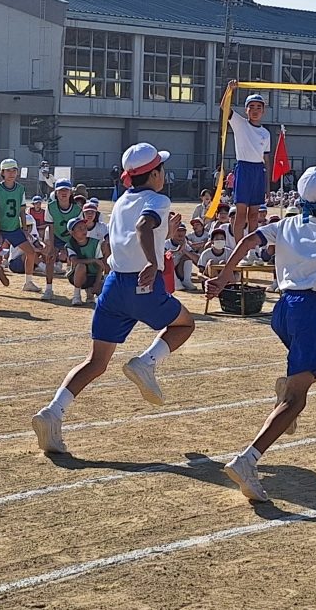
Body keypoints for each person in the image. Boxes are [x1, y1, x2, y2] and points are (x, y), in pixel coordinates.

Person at [205, 165, 316, 502]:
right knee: (296, 400)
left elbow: (250, 239)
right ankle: (248, 459)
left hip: (282, 310)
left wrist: (224, 277)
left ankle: (286, 389)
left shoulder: (290, 222)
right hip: (311, 310)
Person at [30, 143, 196, 454]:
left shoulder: (120, 201)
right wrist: (153, 262)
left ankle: (53, 411)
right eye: (162, 168)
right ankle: (146, 363)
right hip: (141, 283)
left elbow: (137, 233)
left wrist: (163, 234)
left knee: (96, 362)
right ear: (155, 174)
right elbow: (144, 226)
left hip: (114, 285)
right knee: (185, 324)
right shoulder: (158, 199)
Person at [226, 82, 272, 246]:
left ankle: (251, 248)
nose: (255, 110)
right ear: (246, 110)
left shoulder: (265, 133)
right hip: (244, 169)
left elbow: (266, 160)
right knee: (241, 214)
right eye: (251, 106)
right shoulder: (240, 124)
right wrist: (229, 90)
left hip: (258, 172)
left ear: (263, 111)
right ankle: (239, 248)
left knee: (254, 215)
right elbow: (224, 108)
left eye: (259, 107)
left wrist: (268, 186)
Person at [0, 158, 39, 293]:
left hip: (14, 228)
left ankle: (28, 282)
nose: (11, 173)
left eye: (14, 170)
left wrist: (25, 229)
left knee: (31, 252)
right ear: (2, 172)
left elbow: (22, 211)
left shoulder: (20, 189)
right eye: (8, 171)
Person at [42, 178, 80, 301]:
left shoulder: (77, 209)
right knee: (50, 257)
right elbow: (51, 227)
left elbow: (78, 230)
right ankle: (48, 289)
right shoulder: (51, 207)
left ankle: (77, 293)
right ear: (56, 193)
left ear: (70, 192)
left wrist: (68, 248)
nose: (63, 193)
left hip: (73, 237)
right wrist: (52, 247)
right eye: (60, 190)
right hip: (56, 236)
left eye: (66, 190)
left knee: (78, 261)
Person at [66, 216, 105, 306]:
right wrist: (93, 260)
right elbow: (75, 261)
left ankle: (90, 292)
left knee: (104, 292)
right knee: (81, 266)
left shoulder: (95, 243)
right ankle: (76, 295)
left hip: (94, 276)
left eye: (84, 227)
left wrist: (97, 283)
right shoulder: (70, 245)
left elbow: (100, 265)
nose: (84, 230)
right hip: (76, 276)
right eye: (80, 228)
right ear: (72, 232)